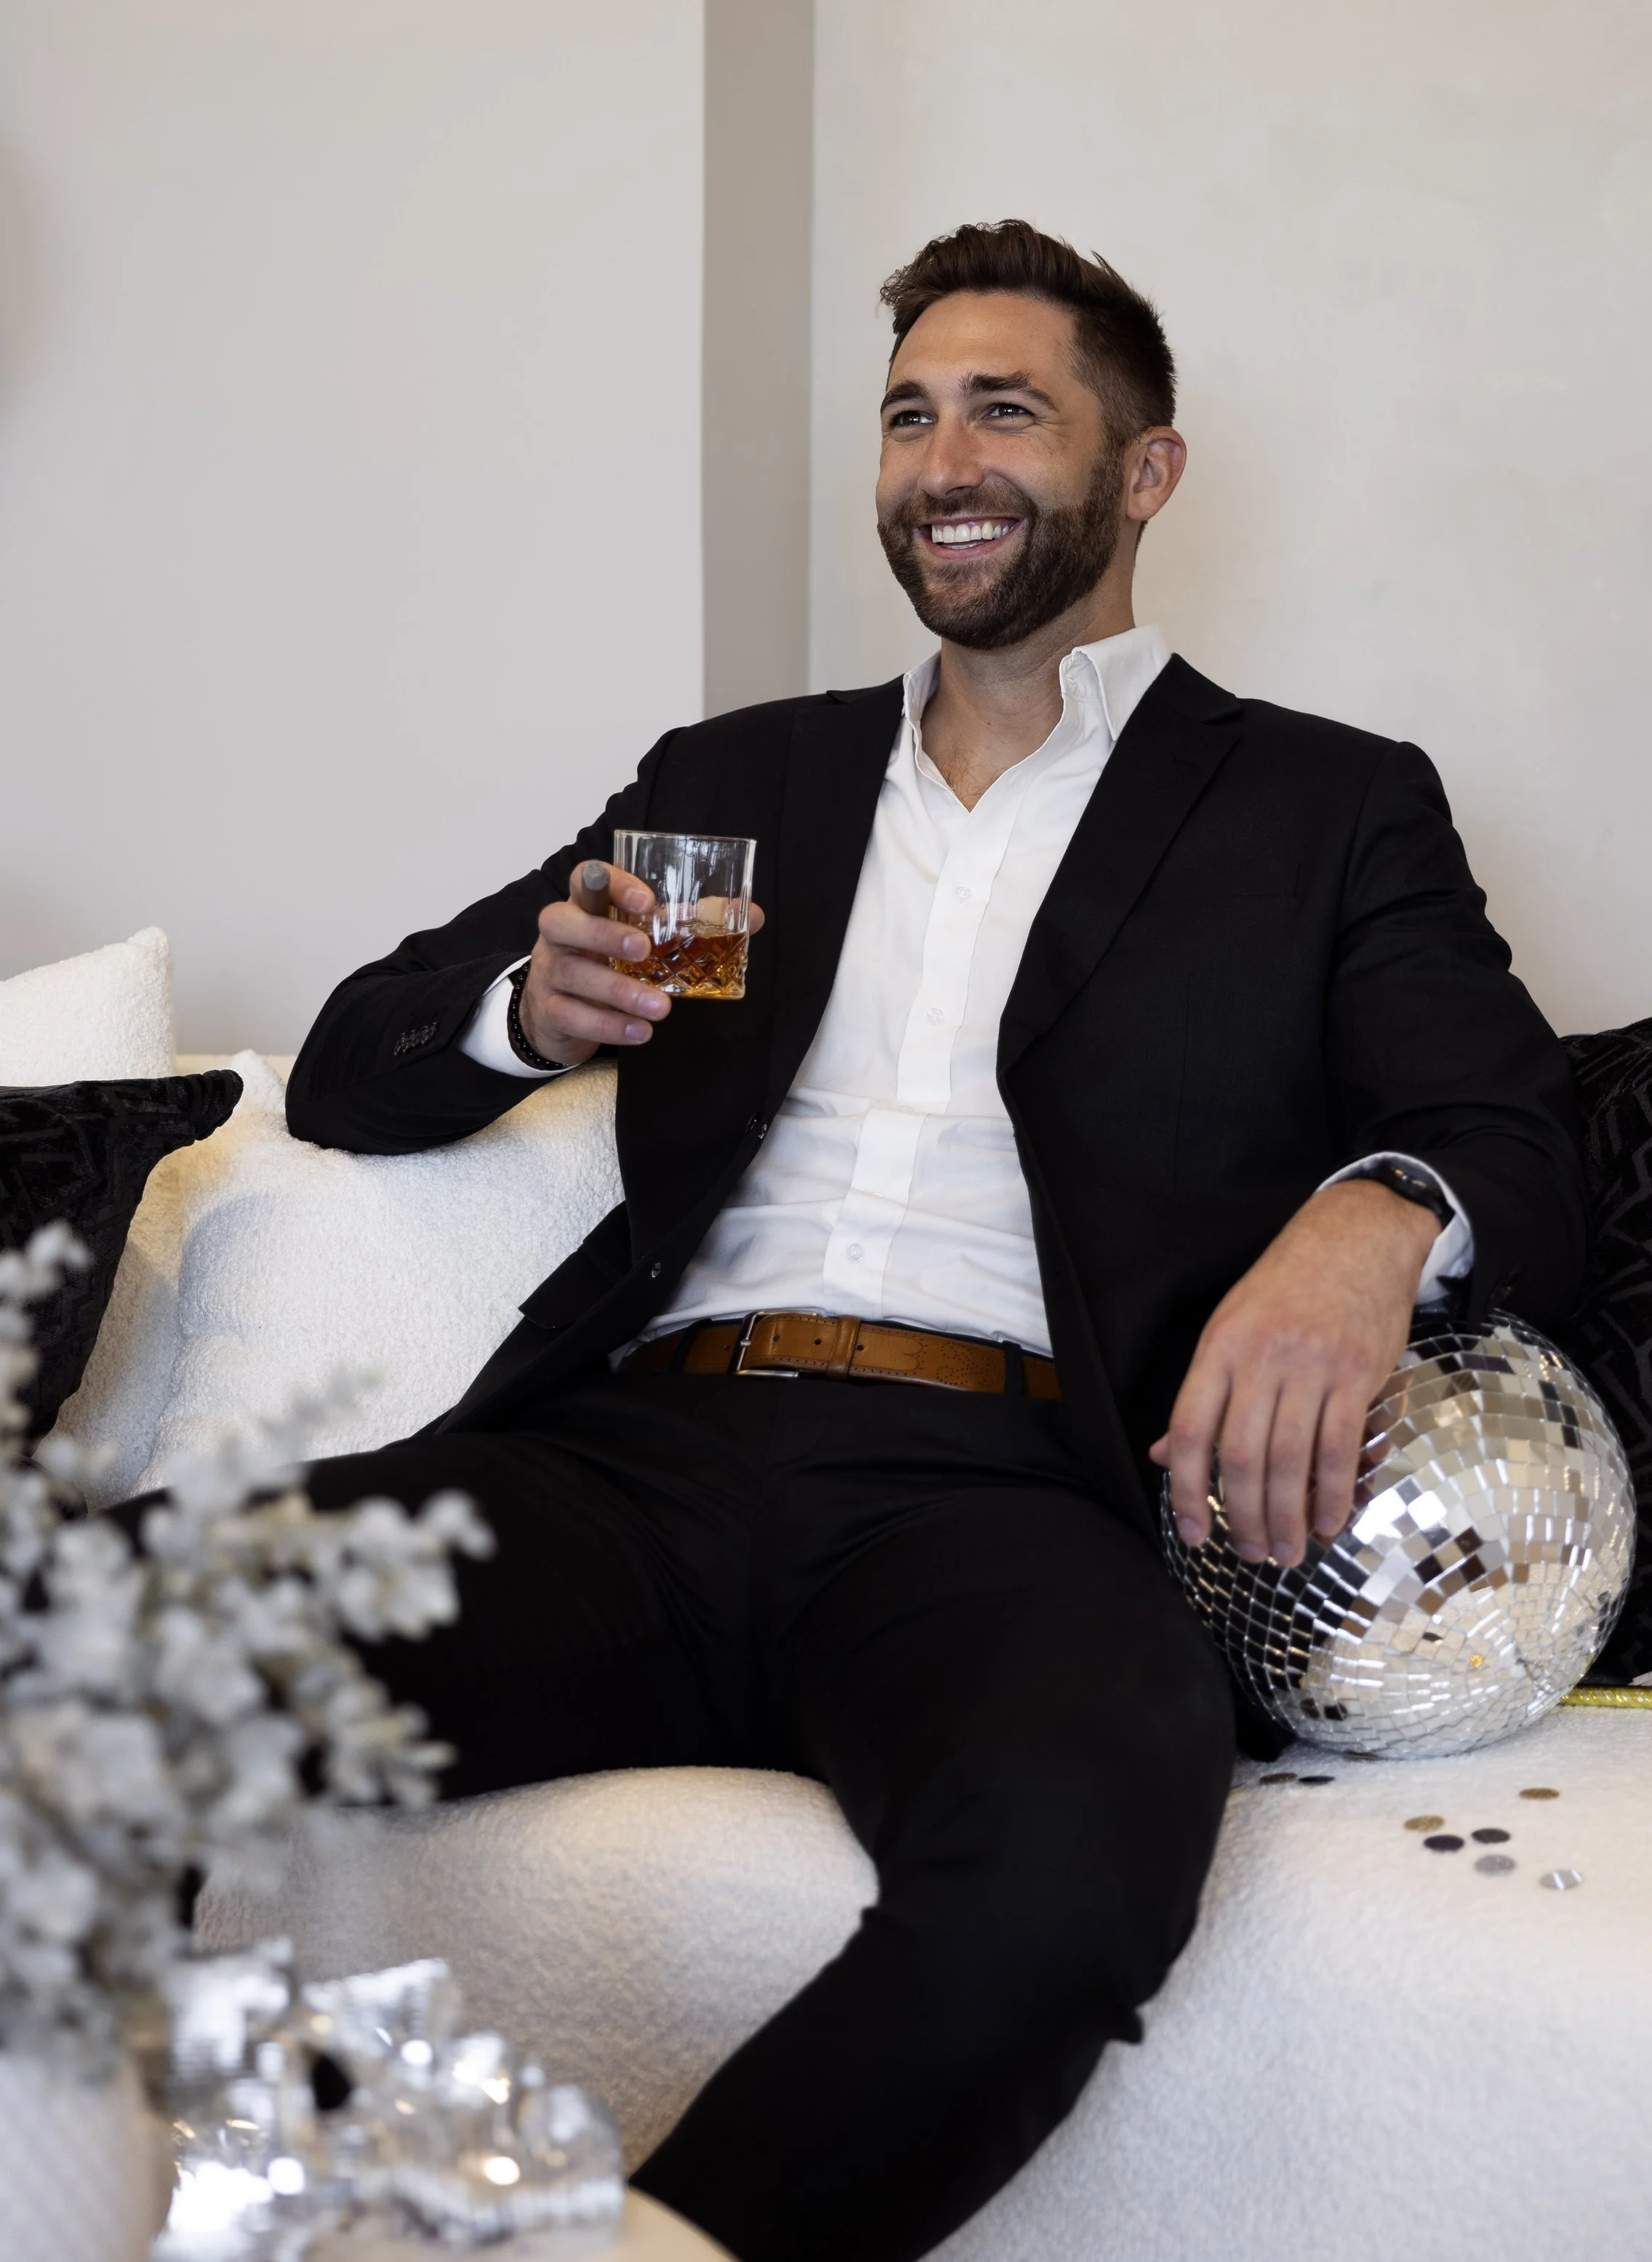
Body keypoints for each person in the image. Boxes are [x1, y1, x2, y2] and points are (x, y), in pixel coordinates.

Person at [284, 219, 1584, 2262]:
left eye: (1006, 409)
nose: (942, 460)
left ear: (1146, 470)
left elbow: (1513, 1128)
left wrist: (1366, 1215)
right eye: (907, 416)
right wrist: (519, 1012)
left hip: (1003, 1499)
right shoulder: (740, 777)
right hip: (630, 1464)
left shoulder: (1322, 806)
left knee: (1069, 1877)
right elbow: (346, 1070)